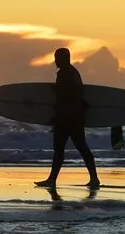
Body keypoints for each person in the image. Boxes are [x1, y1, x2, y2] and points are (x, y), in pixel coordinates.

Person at [35, 47, 100, 188]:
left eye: (57, 57)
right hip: (75, 117)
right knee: (81, 147)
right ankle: (94, 178)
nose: (55, 60)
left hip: (66, 118)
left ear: (64, 58)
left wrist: (56, 118)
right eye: (55, 57)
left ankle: (52, 180)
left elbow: (63, 98)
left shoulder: (64, 74)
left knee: (60, 149)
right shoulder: (74, 72)